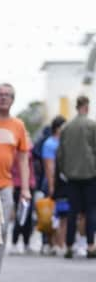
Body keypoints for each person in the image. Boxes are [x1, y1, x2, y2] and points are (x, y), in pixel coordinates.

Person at [0, 83, 31, 282]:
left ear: (13, 100)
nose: (3, 98)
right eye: (0, 95)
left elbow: (23, 159)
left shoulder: (18, 125)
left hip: (5, 185)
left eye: (8, 95)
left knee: (1, 229)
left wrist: (26, 189)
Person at [57, 96, 96, 258]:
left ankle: (69, 246)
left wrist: (64, 170)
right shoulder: (92, 125)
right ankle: (90, 245)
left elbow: (60, 153)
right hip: (90, 173)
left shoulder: (66, 127)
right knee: (91, 210)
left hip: (71, 175)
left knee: (72, 211)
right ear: (86, 107)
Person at [42, 115, 67, 255]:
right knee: (52, 214)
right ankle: (52, 243)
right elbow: (49, 167)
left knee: (62, 214)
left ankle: (59, 243)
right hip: (52, 182)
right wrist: (52, 186)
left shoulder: (63, 142)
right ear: (57, 128)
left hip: (62, 183)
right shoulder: (50, 143)